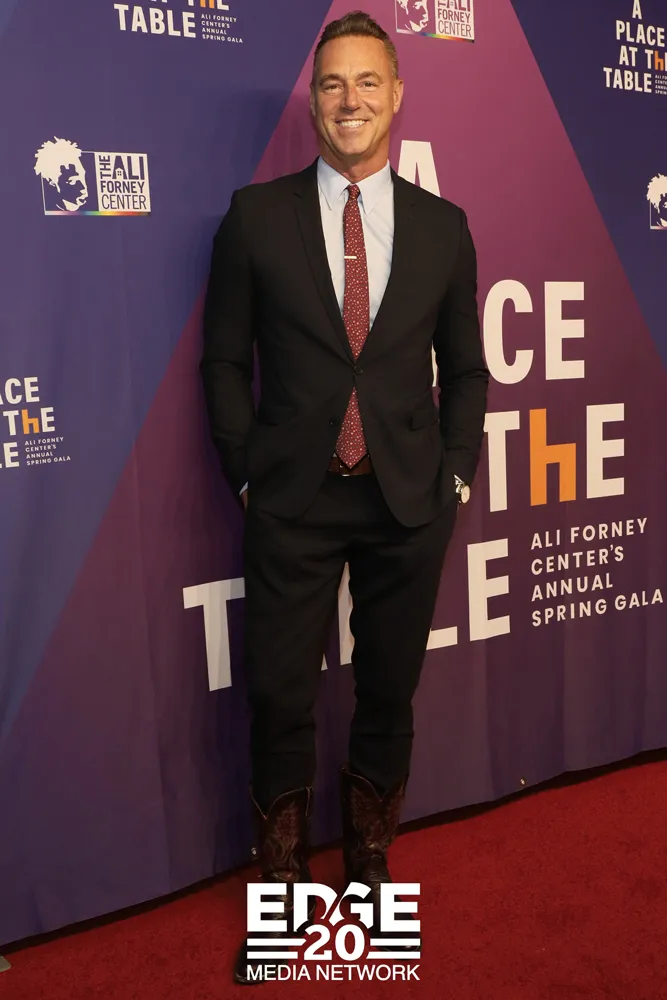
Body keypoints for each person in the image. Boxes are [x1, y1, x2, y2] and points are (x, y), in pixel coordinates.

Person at [201, 9, 489, 984]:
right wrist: (247, 471)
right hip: (291, 500)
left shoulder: (444, 229)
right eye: (332, 84)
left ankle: (369, 875)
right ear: (314, 102)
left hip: (406, 502)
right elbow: (222, 361)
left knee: (388, 692)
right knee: (279, 696)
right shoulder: (255, 218)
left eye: (368, 81)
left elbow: (467, 370)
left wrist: (454, 474)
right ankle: (283, 898)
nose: (349, 100)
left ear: (397, 95)